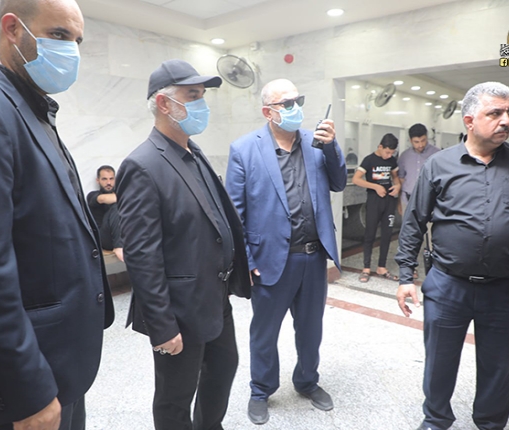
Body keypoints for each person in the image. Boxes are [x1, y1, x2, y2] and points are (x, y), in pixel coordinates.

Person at [0, 1, 115, 429]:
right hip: (25, 382)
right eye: (59, 35)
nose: (71, 51)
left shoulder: (31, 109)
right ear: (12, 29)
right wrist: (28, 391)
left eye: (77, 40)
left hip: (60, 362)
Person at [395, 82, 509, 430]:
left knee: (498, 364)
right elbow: (414, 222)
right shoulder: (439, 165)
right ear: (469, 120)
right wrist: (405, 276)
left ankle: (490, 423)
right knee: (439, 360)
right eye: (495, 113)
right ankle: (436, 420)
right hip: (447, 286)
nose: (505, 120)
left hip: (506, 286)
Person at [116, 59, 251, 430]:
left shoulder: (193, 152)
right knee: (176, 396)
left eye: (202, 95)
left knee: (223, 370)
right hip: (179, 310)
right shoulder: (143, 165)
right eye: (192, 95)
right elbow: (142, 255)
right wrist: (162, 326)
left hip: (215, 298)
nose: (201, 104)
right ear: (164, 103)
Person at [226, 78, 347, 425]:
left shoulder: (316, 143)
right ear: (268, 112)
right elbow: (234, 215)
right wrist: (247, 261)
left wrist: (332, 147)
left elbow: (338, 182)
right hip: (269, 261)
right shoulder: (244, 149)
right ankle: (261, 390)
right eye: (287, 104)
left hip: (313, 257)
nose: (296, 109)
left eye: (299, 101)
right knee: (264, 333)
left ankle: (307, 381)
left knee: (310, 329)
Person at [352, 133, 401, 283]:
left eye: (392, 153)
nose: (389, 155)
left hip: (389, 201)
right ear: (380, 147)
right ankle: (366, 268)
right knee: (370, 234)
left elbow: (395, 177)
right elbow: (356, 179)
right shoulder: (369, 160)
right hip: (374, 201)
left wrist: (398, 186)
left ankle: (381, 267)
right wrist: (375, 186)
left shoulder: (391, 160)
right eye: (387, 152)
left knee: (387, 234)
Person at [397, 123, 440, 215]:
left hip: (429, 202)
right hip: (407, 200)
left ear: (427, 137)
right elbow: (401, 179)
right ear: (410, 140)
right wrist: (399, 202)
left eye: (423, 140)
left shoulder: (437, 155)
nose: (420, 145)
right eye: (416, 142)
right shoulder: (404, 156)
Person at [86, 165, 123, 262]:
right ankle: (118, 246)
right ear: (98, 180)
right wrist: (130, 197)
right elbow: (103, 199)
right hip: (104, 239)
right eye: (104, 179)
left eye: (111, 179)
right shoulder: (92, 195)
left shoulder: (120, 193)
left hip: (123, 234)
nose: (108, 183)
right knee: (116, 206)